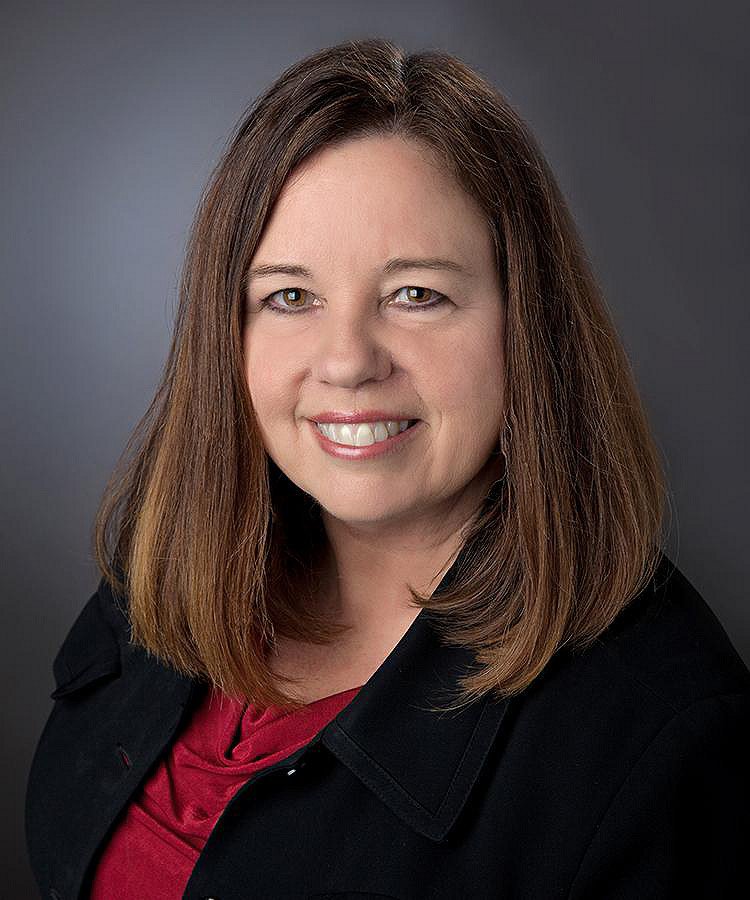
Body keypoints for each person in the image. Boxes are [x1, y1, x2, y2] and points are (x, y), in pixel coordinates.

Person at [25, 37, 749, 900]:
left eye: (417, 295)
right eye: (290, 296)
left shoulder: (663, 739)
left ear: (529, 326)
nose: (347, 362)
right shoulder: (163, 572)